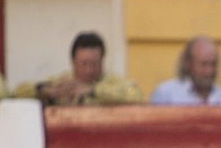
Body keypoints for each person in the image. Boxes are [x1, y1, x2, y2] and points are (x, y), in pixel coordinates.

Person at [12, 32, 142, 106]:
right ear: (73, 62)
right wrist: (44, 90)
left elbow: (135, 95)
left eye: (94, 64)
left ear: (102, 60)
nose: (89, 70)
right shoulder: (63, 81)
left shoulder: (112, 82)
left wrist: (93, 91)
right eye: (83, 64)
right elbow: (17, 93)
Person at [150, 36, 221, 105]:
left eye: (213, 64)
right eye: (203, 64)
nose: (209, 71)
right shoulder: (166, 93)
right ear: (187, 64)